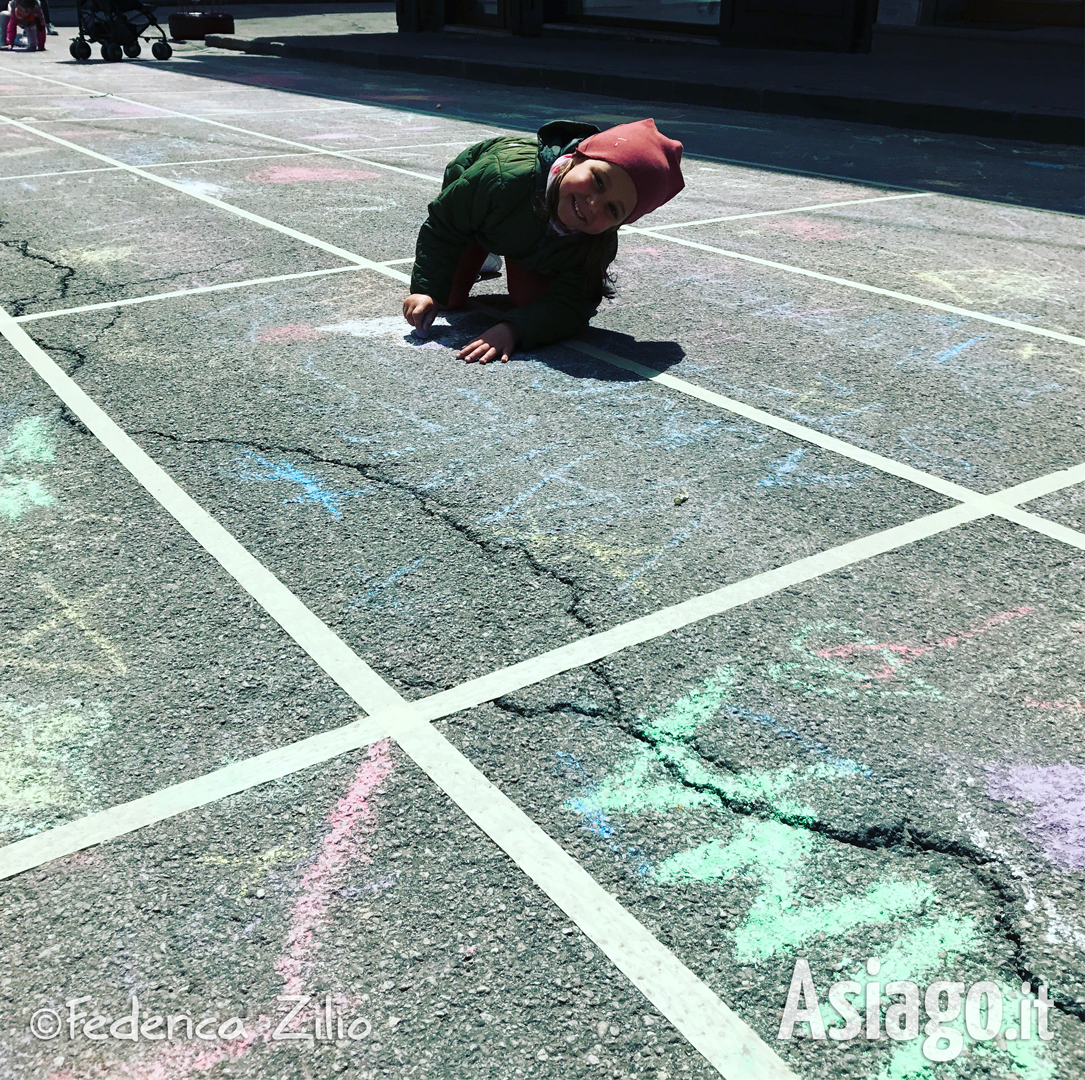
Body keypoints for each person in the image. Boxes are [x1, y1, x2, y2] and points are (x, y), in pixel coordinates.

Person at [403, 118, 684, 364]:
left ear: (619, 223)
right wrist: (425, 290)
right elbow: (444, 225)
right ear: (577, 157)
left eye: (612, 210)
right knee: (448, 299)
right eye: (598, 181)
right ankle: (484, 250)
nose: (593, 204)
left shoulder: (597, 242)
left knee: (530, 303)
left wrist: (514, 329)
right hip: (479, 213)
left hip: (525, 233)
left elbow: (574, 302)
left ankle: (506, 250)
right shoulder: (501, 177)